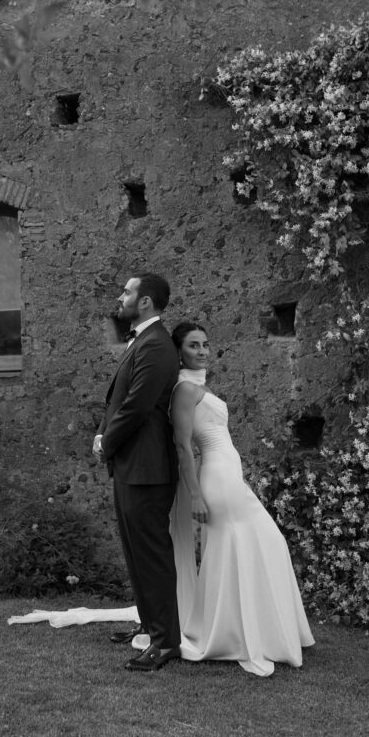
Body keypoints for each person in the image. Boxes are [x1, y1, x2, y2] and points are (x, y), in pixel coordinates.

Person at [156, 321, 315, 677]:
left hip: (230, 476)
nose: (202, 351)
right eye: (193, 345)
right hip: (215, 479)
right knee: (247, 544)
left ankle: (258, 630)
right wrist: (194, 494)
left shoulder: (199, 386)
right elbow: (182, 445)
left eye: (205, 344)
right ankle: (233, 633)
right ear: (179, 351)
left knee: (263, 543)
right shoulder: (183, 389)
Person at [92, 273, 181, 671]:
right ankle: (148, 627)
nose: (120, 297)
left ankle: (164, 643)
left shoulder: (158, 345)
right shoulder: (143, 340)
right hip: (131, 464)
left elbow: (137, 406)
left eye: (127, 292)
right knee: (135, 552)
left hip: (148, 467)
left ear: (145, 302)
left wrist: (107, 442)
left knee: (152, 556)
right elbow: (121, 402)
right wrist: (103, 435)